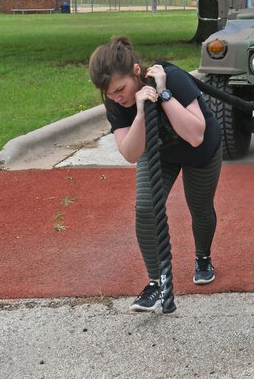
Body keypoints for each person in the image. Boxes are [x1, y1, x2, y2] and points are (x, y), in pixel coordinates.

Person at [89, 36, 223, 312]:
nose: (117, 97)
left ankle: (203, 256)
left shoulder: (172, 77)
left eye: (120, 89)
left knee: (200, 208)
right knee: (146, 208)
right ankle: (157, 283)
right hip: (159, 151)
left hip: (200, 150)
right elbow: (130, 153)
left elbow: (195, 136)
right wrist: (140, 113)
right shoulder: (116, 103)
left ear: (136, 71)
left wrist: (163, 93)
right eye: (109, 93)